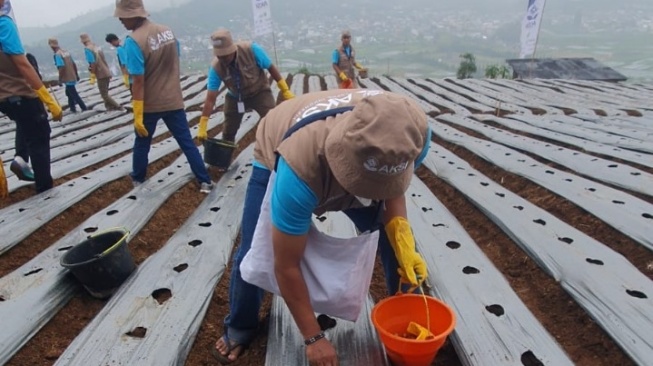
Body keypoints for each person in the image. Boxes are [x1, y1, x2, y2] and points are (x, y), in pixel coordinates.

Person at [212, 89, 431, 365]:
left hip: (357, 160)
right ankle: (240, 326)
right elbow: (286, 265)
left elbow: (393, 186)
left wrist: (400, 233)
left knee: (396, 245)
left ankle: (403, 313)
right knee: (255, 251)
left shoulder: (413, 133)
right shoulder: (299, 168)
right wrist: (313, 337)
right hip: (280, 144)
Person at [114, 0, 213, 193]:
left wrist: (138, 112)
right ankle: (205, 180)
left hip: (150, 103)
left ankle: (138, 178)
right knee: (186, 142)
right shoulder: (168, 32)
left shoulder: (133, 41)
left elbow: (138, 80)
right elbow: (174, 60)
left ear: (133, 15)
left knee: (142, 142)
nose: (121, 21)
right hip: (173, 99)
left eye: (122, 17)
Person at [0, 0, 62, 194]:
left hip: (5, 98)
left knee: (25, 123)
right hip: (20, 92)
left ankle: (20, 158)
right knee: (39, 137)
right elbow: (23, 64)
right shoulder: (4, 24)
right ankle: (45, 191)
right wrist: (47, 98)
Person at [198, 28, 295, 149]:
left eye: (225, 56)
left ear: (232, 50)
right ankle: (223, 162)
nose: (223, 59)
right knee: (228, 130)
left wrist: (285, 89)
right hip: (235, 97)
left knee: (272, 121)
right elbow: (211, 98)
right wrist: (203, 124)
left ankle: (280, 149)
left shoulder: (251, 50)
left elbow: (270, 67)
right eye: (220, 56)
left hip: (259, 91)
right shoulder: (216, 67)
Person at [80, 32, 122, 111]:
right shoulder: (96, 46)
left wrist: (92, 74)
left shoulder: (88, 49)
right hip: (106, 71)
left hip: (100, 73)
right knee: (105, 91)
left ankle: (118, 106)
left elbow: (93, 63)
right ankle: (109, 107)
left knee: (104, 95)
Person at [48, 38, 87, 114]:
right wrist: (76, 74)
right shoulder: (66, 52)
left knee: (74, 94)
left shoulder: (58, 55)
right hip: (72, 75)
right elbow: (73, 64)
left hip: (67, 77)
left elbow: (61, 67)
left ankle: (83, 107)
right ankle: (72, 108)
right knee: (69, 93)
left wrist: (60, 79)